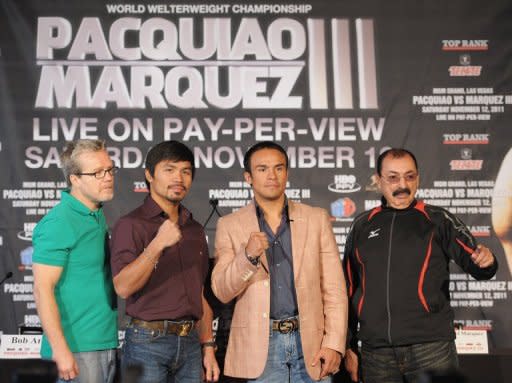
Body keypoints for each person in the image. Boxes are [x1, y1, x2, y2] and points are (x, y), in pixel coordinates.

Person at [343, 148, 498, 383]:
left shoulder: (437, 219)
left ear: (418, 178)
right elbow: (348, 289)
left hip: (432, 349)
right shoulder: (362, 225)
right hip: (376, 354)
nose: (402, 185)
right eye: (393, 177)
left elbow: (477, 262)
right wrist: (349, 345)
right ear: (378, 180)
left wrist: (487, 261)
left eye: (410, 176)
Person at [211, 141, 347, 382]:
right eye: (262, 169)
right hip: (260, 349)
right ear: (248, 177)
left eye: (278, 168)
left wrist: (335, 343)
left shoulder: (316, 218)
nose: (272, 175)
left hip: (311, 345)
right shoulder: (229, 225)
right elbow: (222, 291)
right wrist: (248, 256)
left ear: (287, 172)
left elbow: (334, 289)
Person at [110, 140, 220, 383]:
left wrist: (208, 347)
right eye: (169, 170)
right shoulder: (131, 225)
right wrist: (158, 244)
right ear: (149, 175)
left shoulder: (194, 229)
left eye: (186, 171)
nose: (178, 178)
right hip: (147, 343)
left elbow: (198, 294)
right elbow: (123, 287)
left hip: (191, 344)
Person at [33, 139, 119, 383]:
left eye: (110, 169)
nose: (108, 177)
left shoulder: (95, 214)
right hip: (76, 349)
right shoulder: (59, 221)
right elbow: (42, 289)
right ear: (75, 179)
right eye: (97, 173)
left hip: (103, 342)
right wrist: (60, 350)